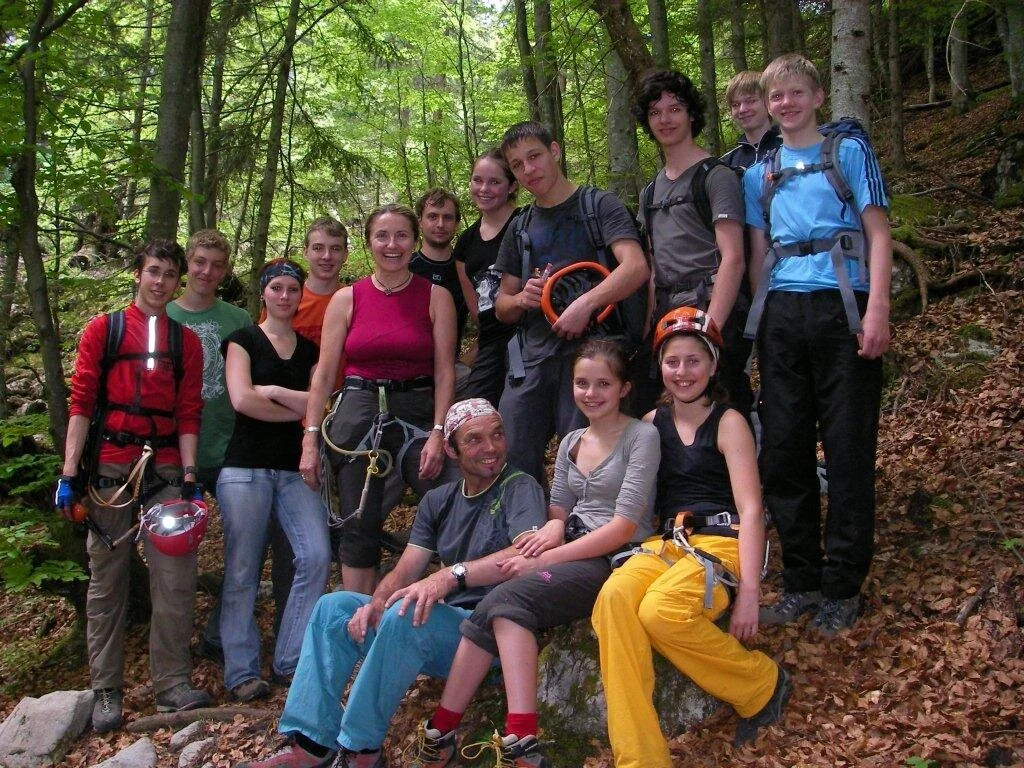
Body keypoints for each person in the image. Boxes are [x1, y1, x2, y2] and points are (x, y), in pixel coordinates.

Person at [235, 400, 548, 768]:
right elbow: (406, 569)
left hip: (491, 638)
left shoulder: (519, 486)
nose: (490, 447)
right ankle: (311, 743)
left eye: (497, 435)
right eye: (474, 439)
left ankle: (361, 749)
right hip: (444, 627)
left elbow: (526, 554)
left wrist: (449, 575)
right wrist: (376, 603)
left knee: (406, 614)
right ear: (451, 450)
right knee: (333, 608)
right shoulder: (439, 500)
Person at [412, 340, 659, 768]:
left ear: (624, 388)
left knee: (508, 598)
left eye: (603, 384)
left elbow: (624, 526)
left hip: (614, 557)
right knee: (493, 604)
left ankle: (521, 737)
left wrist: (547, 559)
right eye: (582, 383)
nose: (591, 393)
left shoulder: (642, 436)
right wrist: (553, 527)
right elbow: (560, 505)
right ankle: (443, 730)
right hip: (569, 546)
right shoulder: (572, 441)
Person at [591, 308, 789, 767]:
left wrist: (750, 594)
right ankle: (640, 759)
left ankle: (761, 684)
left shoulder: (729, 422)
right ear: (659, 366)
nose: (682, 372)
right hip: (667, 543)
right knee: (614, 599)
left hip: (721, 542)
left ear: (713, 365)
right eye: (672, 361)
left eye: (693, 361)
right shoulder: (650, 423)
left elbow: (752, 509)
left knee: (662, 612)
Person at [743, 54, 891, 635]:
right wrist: (759, 325)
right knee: (784, 447)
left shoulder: (848, 152)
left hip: (843, 305)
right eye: (776, 96)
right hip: (782, 313)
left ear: (818, 96)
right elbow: (759, 253)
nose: (786, 104)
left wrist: (877, 309)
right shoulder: (762, 172)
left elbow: (878, 232)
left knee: (848, 445)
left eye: (796, 93)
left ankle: (843, 584)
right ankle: (801, 579)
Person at [54, 239, 210, 733]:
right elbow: (82, 402)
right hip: (109, 472)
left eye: (170, 274)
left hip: (165, 470)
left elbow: (189, 412)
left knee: (175, 576)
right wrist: (69, 474)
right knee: (107, 580)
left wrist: (190, 476)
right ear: (138, 274)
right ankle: (106, 690)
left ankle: (173, 683)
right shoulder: (105, 330)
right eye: (153, 272)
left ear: (179, 281)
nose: (160, 282)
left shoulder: (185, 343)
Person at [299, 203, 458, 596]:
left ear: (414, 241)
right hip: (359, 408)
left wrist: (439, 431)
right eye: (382, 236)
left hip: (417, 407)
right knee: (358, 517)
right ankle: (357, 611)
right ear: (369, 242)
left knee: (449, 497)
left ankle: (450, 596)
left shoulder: (435, 296)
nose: (392, 245)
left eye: (401, 236)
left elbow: (444, 371)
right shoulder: (347, 298)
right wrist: (310, 438)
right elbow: (324, 373)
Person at [494, 121, 650, 485]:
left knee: (584, 459)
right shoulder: (520, 226)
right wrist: (522, 299)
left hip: (594, 354)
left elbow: (635, 267)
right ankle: (528, 517)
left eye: (534, 156)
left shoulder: (599, 206)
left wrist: (585, 305)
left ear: (555, 151)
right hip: (533, 357)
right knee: (513, 451)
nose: (528, 169)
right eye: (517, 165)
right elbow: (501, 305)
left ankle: (587, 519)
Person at [217, 258, 331, 701]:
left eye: (292, 289)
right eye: (276, 288)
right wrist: (301, 411)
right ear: (263, 292)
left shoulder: (309, 350)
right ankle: (241, 671)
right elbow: (243, 400)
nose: (284, 296)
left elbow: (322, 402)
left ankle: (290, 659)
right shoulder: (243, 340)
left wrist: (279, 393)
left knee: (316, 556)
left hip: (295, 469)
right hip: (245, 468)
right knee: (243, 568)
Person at [631, 70, 751, 417]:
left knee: (723, 414)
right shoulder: (650, 192)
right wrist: (647, 330)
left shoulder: (716, 177)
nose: (665, 120)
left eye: (675, 109)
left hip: (712, 309)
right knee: (659, 417)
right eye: (655, 112)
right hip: (668, 315)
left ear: (691, 115)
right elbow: (654, 268)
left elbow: (733, 258)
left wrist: (709, 332)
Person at [166, 230, 252, 493]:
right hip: (171, 448)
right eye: (200, 262)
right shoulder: (164, 315)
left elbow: (250, 384)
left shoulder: (239, 320)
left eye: (216, 265)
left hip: (226, 445)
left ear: (224, 271)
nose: (207, 272)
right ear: (187, 263)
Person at [452, 149, 520, 408]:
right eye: (477, 180)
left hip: (529, 334)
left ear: (511, 185)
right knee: (478, 410)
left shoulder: (525, 223)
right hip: (491, 342)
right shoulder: (466, 242)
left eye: (494, 182)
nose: (484, 189)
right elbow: (475, 308)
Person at [409, 188, 467, 349]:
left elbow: (487, 323)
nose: (440, 224)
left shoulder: (465, 271)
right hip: (409, 360)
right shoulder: (404, 268)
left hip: (452, 360)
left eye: (447, 217)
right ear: (420, 222)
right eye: (432, 216)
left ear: (456, 224)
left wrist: (469, 359)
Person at [720, 70, 782, 172]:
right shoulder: (727, 163)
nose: (742, 110)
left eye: (750, 101)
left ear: (767, 103)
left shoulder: (789, 147)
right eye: (736, 105)